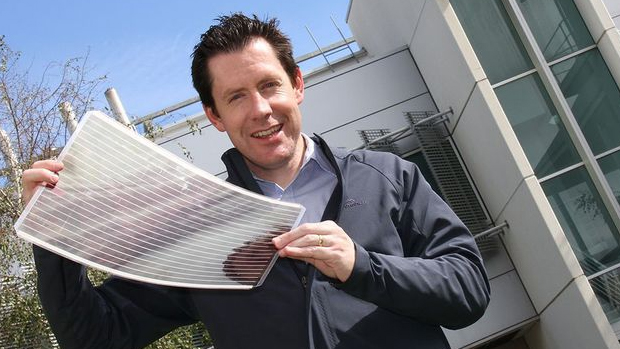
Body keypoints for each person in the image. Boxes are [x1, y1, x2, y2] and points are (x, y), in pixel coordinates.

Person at [23, 13, 490, 349]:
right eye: (236, 97)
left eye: (269, 85)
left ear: (297, 84)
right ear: (215, 116)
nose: (261, 110)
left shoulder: (388, 175)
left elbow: (468, 290)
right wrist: (55, 234)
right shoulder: (198, 227)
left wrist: (362, 267)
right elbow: (97, 336)